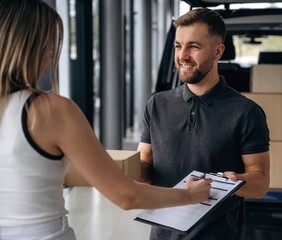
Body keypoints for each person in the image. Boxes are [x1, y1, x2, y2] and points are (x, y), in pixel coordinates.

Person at [0, 1, 212, 240]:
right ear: (29, 49)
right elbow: (126, 196)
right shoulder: (50, 110)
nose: (51, 56)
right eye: (48, 47)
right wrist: (189, 195)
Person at [137, 8, 270, 240]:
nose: (183, 56)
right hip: (162, 234)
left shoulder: (246, 112)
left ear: (218, 52)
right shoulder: (157, 104)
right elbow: (145, 164)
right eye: (179, 46)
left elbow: (260, 182)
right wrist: (119, 172)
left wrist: (233, 180)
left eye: (194, 47)